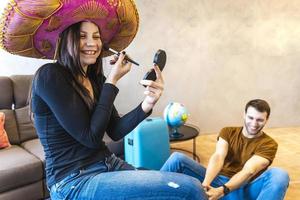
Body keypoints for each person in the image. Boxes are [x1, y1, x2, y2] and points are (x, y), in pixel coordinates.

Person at [0, 1, 209, 199]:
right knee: (190, 190)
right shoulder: (50, 76)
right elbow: (90, 136)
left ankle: (236, 187)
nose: (92, 43)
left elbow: (115, 130)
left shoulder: (94, 78)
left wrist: (148, 104)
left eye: (96, 36)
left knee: (180, 161)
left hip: (109, 164)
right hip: (74, 182)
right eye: (82, 36)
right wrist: (112, 80)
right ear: (67, 39)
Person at [161, 99, 290, 200]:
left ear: (267, 120)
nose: (254, 123)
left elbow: (249, 170)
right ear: (244, 115)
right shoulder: (228, 132)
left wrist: (222, 190)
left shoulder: (269, 144)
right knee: (177, 158)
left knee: (280, 175)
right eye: (251, 118)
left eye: (260, 120)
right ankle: (147, 193)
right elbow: (218, 157)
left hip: (243, 188)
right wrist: (206, 184)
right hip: (217, 181)